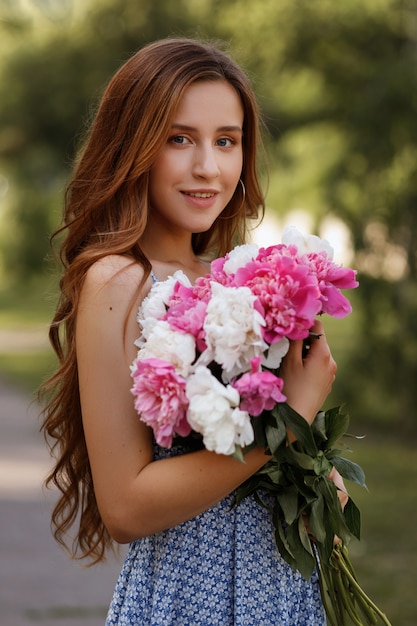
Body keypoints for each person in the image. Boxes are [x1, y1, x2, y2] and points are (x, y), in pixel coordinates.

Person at [40, 37, 340, 625]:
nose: (209, 166)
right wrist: (286, 427)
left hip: (280, 591)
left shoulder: (239, 280)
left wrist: (317, 475)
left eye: (226, 141)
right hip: (191, 595)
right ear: (135, 147)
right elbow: (125, 506)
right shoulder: (118, 281)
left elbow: (283, 455)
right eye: (180, 139)